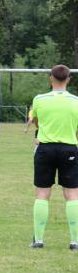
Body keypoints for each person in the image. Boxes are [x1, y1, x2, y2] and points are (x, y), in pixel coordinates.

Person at [28, 64, 78, 250]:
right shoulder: (76, 101)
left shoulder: (39, 99)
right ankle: (75, 242)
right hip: (69, 149)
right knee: (72, 194)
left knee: (42, 193)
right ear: (68, 80)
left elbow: (37, 123)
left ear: (51, 78)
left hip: (45, 149)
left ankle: (38, 240)